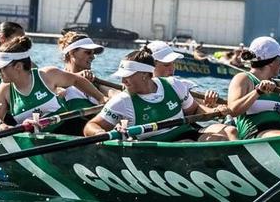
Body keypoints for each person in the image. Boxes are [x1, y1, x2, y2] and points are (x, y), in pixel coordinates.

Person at [85, 48, 230, 141]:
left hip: (186, 133)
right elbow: (91, 125)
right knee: (189, 143)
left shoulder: (173, 84)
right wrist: (99, 134)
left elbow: (194, 111)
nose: (123, 81)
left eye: (127, 76)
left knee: (230, 131)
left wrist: (214, 111)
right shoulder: (122, 101)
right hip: (158, 146)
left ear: (144, 75)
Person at [0, 36, 106, 132]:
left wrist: (101, 98)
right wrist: (0, 125)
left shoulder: (47, 75)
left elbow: (76, 80)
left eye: (2, 68)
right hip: (33, 138)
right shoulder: (4, 90)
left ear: (18, 66)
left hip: (66, 129)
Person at [149, 40, 238, 141]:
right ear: (150, 66)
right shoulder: (132, 90)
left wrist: (215, 110)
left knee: (230, 131)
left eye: (173, 63)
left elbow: (195, 109)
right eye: (166, 65)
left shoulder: (176, 84)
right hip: (160, 139)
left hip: (184, 130)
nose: (172, 68)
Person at [56, 30, 106, 110]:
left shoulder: (94, 82)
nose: (93, 57)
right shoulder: (55, 80)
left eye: (93, 53)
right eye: (88, 52)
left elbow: (113, 93)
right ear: (72, 52)